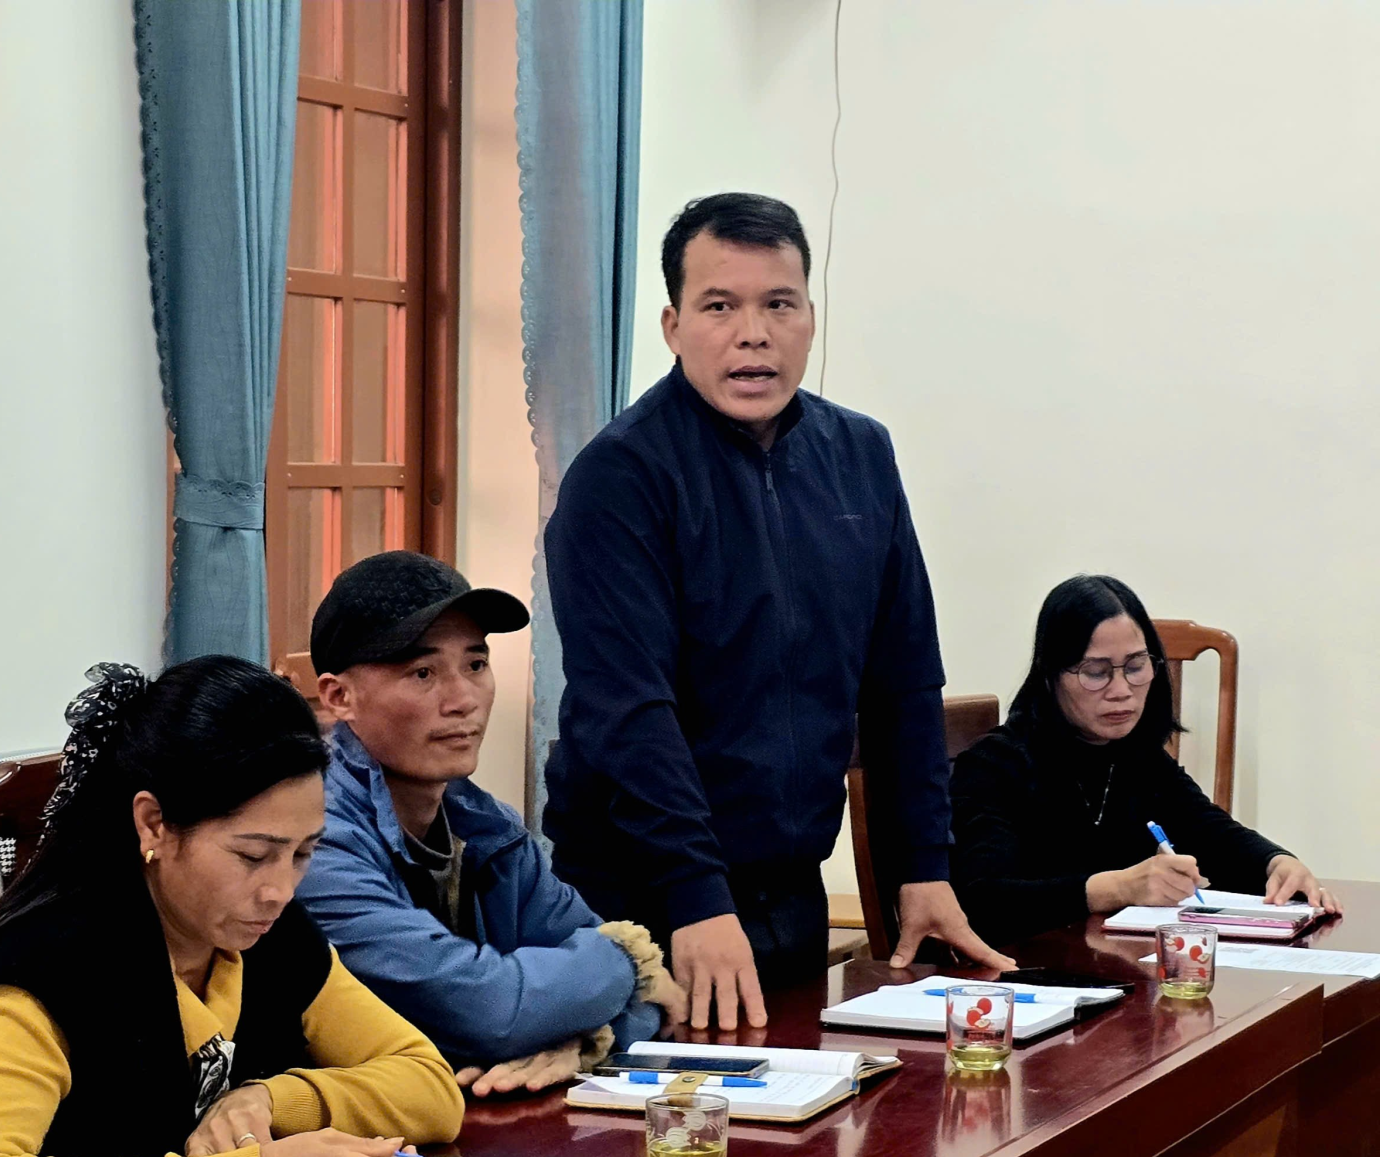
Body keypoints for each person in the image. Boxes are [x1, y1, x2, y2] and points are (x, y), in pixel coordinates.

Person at [543, 191, 1011, 1033]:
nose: (752, 334)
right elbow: (628, 711)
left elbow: (904, 683)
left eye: (778, 304)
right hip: (646, 896)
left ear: (810, 320)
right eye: (719, 306)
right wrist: (695, 896)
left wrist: (924, 866)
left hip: (791, 888)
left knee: (813, 1101)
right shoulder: (620, 478)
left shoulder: (860, 454)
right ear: (673, 326)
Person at [0, 658, 463, 1157]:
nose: (281, 890)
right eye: (253, 855)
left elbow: (430, 1086)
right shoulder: (51, 970)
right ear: (153, 824)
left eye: (303, 853)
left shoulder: (265, 933)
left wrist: (267, 1098)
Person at [298, 552, 687, 1098]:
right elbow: (488, 1012)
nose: (463, 701)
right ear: (340, 697)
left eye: (476, 665)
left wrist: (583, 1038)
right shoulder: (313, 836)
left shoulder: (484, 823)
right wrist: (626, 959)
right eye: (423, 673)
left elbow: (653, 1002)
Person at [950, 575, 1340, 946]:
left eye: (1136, 667)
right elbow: (982, 900)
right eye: (1096, 672)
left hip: (1118, 970)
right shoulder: (993, 767)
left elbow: (1212, 832)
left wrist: (1276, 863)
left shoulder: (1136, 756)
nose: (1121, 690)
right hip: (1025, 974)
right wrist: (1116, 888)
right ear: (1051, 675)